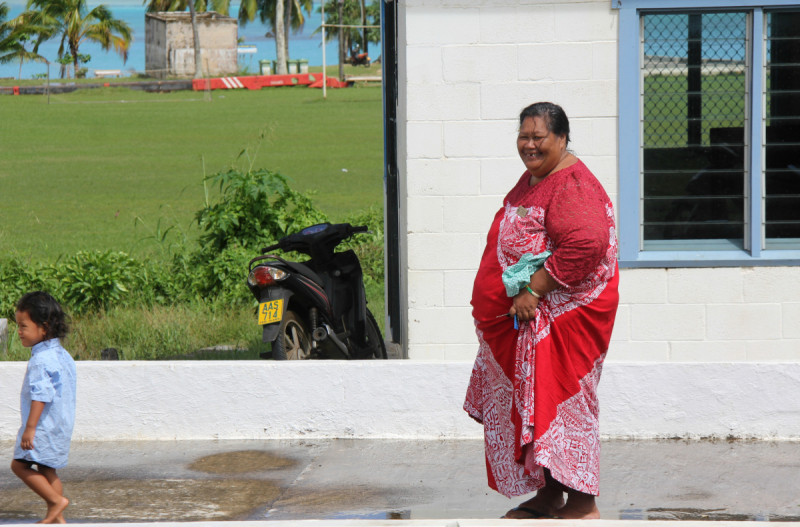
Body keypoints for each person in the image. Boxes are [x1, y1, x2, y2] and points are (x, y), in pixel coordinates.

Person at [464, 102, 619, 520]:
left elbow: (588, 243)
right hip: (531, 320)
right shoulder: (537, 177)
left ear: (563, 138)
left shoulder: (572, 183)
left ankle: (583, 504)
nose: (529, 145)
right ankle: (549, 496)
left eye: (539, 137)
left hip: (564, 319)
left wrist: (534, 287)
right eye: (523, 136)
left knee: (565, 403)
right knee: (535, 404)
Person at [10, 291, 76, 524]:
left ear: (44, 327)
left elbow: (41, 395)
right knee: (48, 470)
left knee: (18, 466)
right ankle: (58, 519)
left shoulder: (41, 360)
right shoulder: (62, 354)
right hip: (59, 425)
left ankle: (56, 502)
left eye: (23, 326)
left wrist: (30, 428)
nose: (19, 332)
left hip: (42, 427)